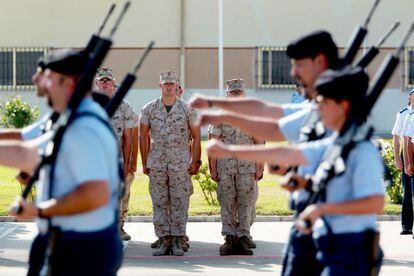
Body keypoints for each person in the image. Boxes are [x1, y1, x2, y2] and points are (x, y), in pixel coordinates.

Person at [205, 67, 384, 275]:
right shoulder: (329, 143)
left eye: (323, 103)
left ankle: (243, 236)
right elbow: (289, 152)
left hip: (350, 246)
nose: (317, 109)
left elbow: (375, 203)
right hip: (316, 238)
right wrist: (301, 182)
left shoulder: (361, 150)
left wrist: (323, 209)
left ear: (343, 106)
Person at [190, 30, 338, 275]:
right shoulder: (311, 112)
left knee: (247, 202)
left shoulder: (338, 125)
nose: (293, 74)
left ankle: (244, 235)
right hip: (308, 230)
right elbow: (271, 118)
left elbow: (268, 129)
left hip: (341, 239)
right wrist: (221, 111)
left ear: (321, 63)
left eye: (300, 65)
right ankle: (232, 237)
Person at [3, 49, 123, 275]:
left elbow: (95, 193)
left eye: (48, 77)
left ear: (67, 83)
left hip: (82, 251)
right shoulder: (73, 119)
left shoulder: (82, 128)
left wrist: (38, 210)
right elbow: (27, 153)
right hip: (69, 245)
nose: (39, 81)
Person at [139, 70, 201, 256]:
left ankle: (177, 239)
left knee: (180, 200)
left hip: (179, 163)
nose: (168, 86)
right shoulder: (149, 109)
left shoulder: (188, 109)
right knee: (159, 200)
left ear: (177, 86)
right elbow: (143, 137)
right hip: (157, 163)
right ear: (160, 85)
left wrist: (195, 160)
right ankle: (163, 239)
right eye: (165, 83)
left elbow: (196, 137)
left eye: (171, 83)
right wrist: (145, 162)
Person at [209, 79, 264, 255]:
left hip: (247, 168)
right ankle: (229, 239)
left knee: (246, 204)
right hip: (225, 168)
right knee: (226, 203)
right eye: (233, 93)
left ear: (244, 94)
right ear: (227, 95)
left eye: (238, 93)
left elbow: (259, 143)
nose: (235, 96)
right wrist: (213, 168)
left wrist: (260, 167)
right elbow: (213, 143)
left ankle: (243, 238)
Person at [95, 67, 139, 241]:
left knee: (121, 193)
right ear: (97, 84)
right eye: (102, 80)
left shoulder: (124, 106)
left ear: (114, 83)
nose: (105, 83)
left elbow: (129, 137)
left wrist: (128, 163)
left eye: (108, 80)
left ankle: (119, 227)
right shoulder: (89, 104)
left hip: (117, 159)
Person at [391, 90, 414, 235]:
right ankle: (406, 225)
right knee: (407, 192)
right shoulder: (403, 113)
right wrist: (398, 158)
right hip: (407, 153)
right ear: (410, 97)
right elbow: (396, 137)